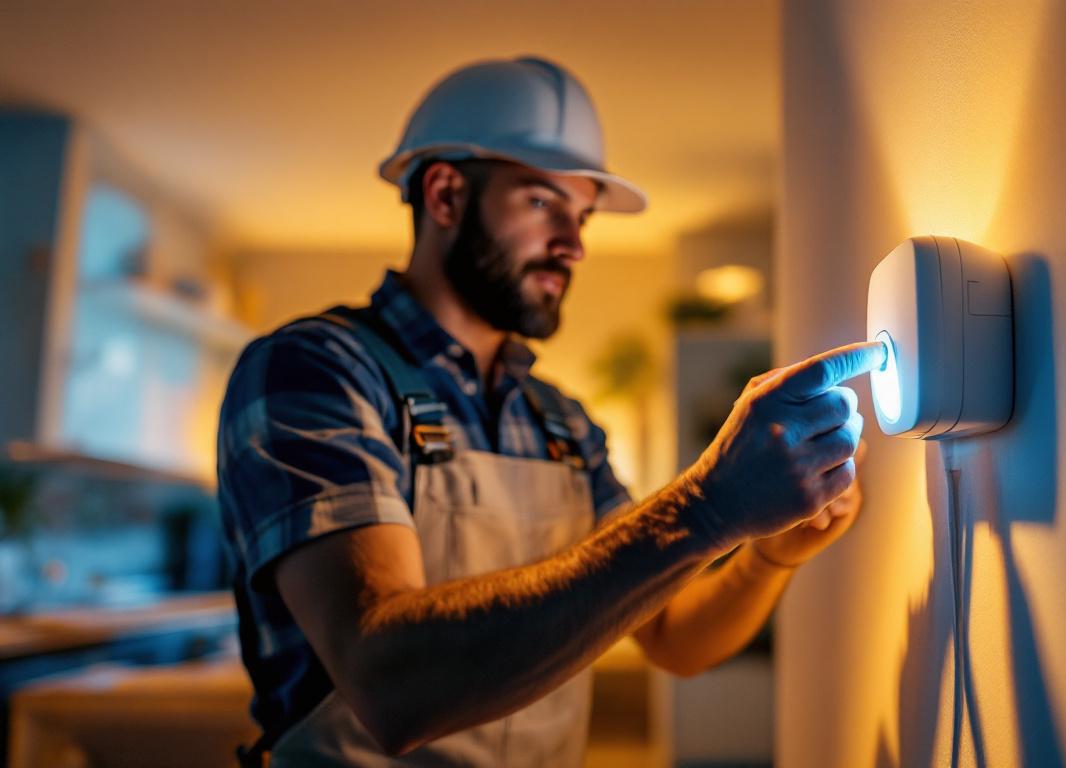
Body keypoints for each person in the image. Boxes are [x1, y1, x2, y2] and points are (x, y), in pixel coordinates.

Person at [217, 56, 883, 766]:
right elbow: (391, 683)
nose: (574, 245)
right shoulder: (316, 370)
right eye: (542, 204)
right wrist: (708, 505)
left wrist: (768, 555)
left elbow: (676, 640)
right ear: (444, 195)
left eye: (582, 215)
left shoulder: (561, 424)